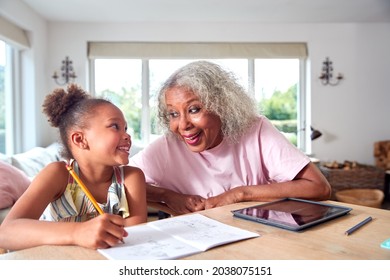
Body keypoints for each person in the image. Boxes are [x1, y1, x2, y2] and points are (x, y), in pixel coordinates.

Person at [129, 60, 331, 215]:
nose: (183, 125)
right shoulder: (167, 147)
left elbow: (319, 187)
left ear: (222, 106)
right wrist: (167, 197)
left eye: (194, 109)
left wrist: (239, 194)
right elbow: (114, 181)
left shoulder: (256, 129)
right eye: (173, 114)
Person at [0, 84, 147, 251]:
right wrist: (78, 232)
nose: (127, 135)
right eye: (115, 126)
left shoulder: (132, 177)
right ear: (79, 140)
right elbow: (5, 233)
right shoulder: (58, 174)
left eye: (126, 128)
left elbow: (136, 234)